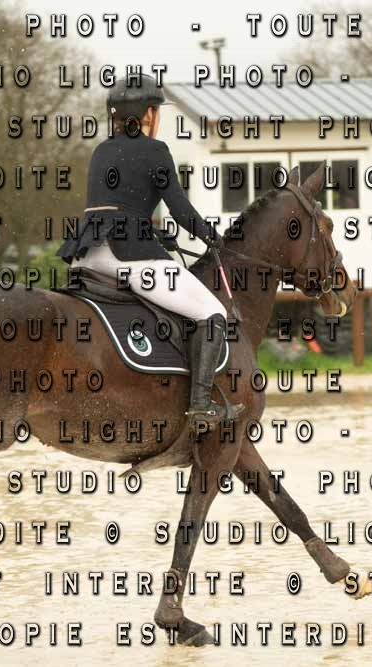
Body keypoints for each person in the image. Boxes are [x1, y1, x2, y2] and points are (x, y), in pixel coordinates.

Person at [56, 73, 241, 432]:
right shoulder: (156, 151)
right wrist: (213, 238)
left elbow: (114, 208)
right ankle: (201, 406)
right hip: (129, 257)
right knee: (212, 312)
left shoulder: (101, 150)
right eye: (157, 111)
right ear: (148, 114)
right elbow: (181, 211)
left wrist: (153, 233)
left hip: (87, 255)